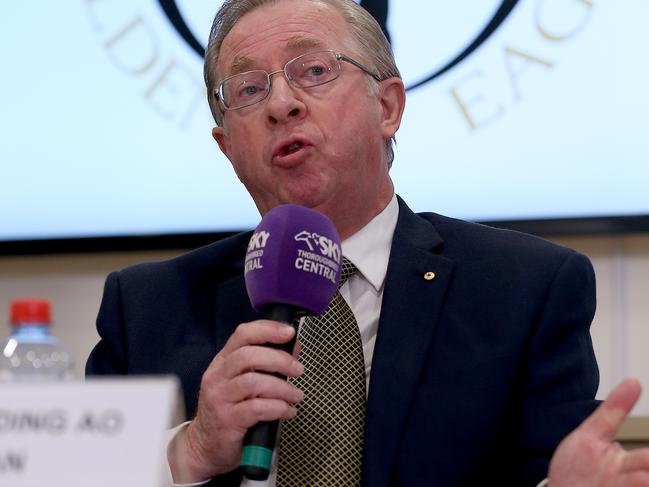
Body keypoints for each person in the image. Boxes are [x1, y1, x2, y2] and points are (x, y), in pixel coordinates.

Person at [86, 0, 649, 485]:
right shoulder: (146, 308)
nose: (282, 104)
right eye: (250, 89)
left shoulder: (525, 288)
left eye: (313, 71)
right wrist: (191, 449)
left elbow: (551, 468)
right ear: (226, 145)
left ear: (388, 107)